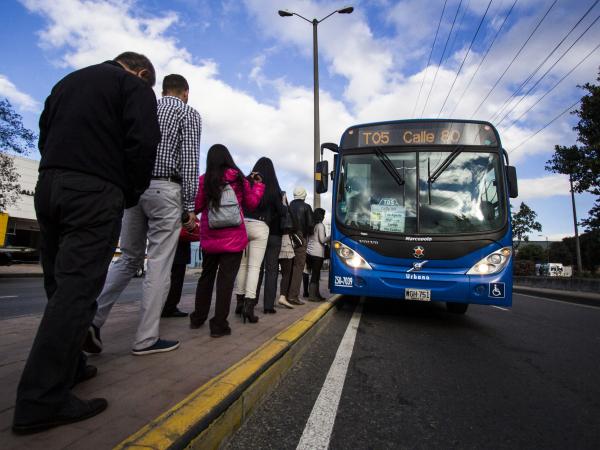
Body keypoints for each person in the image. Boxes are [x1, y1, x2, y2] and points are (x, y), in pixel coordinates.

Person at [13, 52, 160, 434]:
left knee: (59, 285)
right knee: (78, 289)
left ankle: (71, 364)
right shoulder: (134, 87)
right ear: (142, 73)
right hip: (95, 189)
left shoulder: (68, 81)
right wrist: (130, 191)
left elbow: (44, 133)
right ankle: (41, 400)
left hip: (49, 186)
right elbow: (143, 142)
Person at [84, 74, 201, 357]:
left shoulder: (144, 107)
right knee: (159, 264)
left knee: (128, 258)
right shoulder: (187, 112)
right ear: (185, 92)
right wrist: (188, 207)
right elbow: (188, 158)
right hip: (165, 188)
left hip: (133, 189)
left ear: (163, 90)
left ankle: (91, 321)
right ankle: (146, 339)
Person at [190, 144, 264, 337]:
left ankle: (198, 318)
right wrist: (258, 186)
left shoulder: (204, 180)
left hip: (210, 238)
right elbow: (251, 204)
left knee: (206, 278)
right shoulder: (238, 178)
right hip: (233, 239)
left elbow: (196, 207)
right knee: (225, 282)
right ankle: (218, 325)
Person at [236, 158, 286, 317]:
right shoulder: (274, 189)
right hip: (264, 228)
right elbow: (282, 212)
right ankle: (260, 307)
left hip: (244, 225)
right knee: (261, 269)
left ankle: (241, 302)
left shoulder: (248, 183)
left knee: (243, 266)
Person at [286, 186, 314, 305]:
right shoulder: (306, 207)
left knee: (288, 266)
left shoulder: (289, 206)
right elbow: (310, 225)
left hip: (287, 237)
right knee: (299, 266)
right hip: (300, 237)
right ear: (304, 195)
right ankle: (293, 296)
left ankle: (285, 295)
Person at [161, 239, 192, 317]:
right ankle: (169, 308)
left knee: (162, 278)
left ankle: (161, 307)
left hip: (163, 245)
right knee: (176, 279)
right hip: (178, 247)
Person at [306, 208, 329, 301]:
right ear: (321, 216)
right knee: (315, 275)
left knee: (314, 274)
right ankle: (312, 296)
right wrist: (331, 236)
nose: (324, 217)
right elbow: (322, 240)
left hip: (309, 253)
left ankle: (317, 294)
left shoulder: (311, 225)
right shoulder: (320, 226)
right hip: (317, 254)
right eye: (323, 215)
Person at [276, 230, 296, 309]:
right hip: (285, 243)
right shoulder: (287, 218)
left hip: (274, 240)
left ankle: (270, 300)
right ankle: (282, 297)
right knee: (286, 274)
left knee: (272, 273)